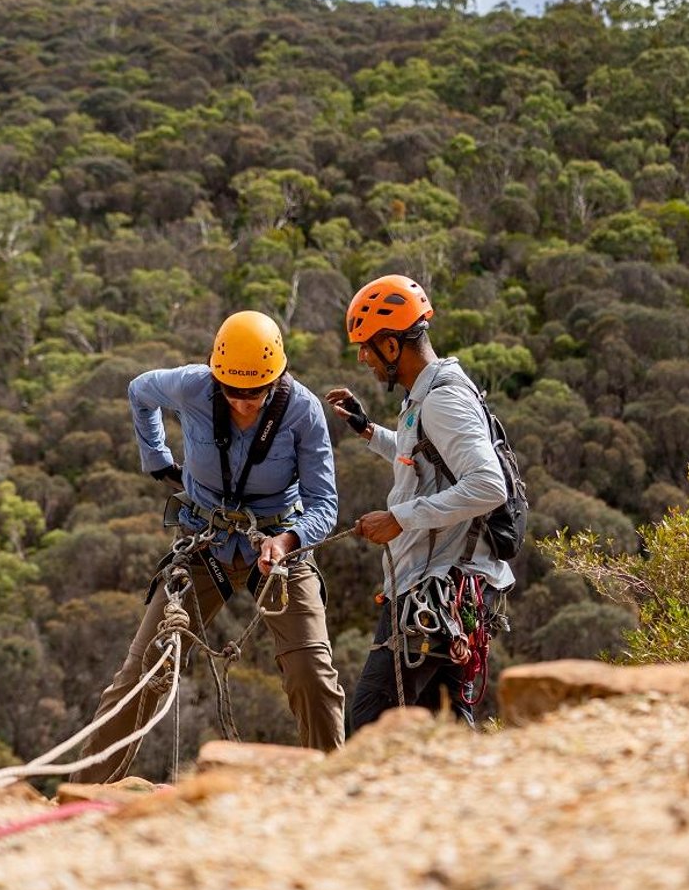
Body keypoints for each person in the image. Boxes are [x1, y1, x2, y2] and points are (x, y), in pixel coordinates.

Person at [77, 310, 345, 782]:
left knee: (311, 674)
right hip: (203, 545)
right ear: (216, 376)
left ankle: (328, 790)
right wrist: (157, 459)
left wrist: (286, 541)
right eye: (232, 391)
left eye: (255, 393)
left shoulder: (302, 412)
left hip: (278, 548)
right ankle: (82, 796)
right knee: (142, 674)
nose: (243, 403)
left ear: (277, 379)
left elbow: (325, 502)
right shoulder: (192, 386)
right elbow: (139, 391)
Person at [326, 274, 515, 731]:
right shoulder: (427, 395)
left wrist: (398, 519)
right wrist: (369, 432)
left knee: (370, 720)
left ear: (392, 346)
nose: (362, 357)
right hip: (443, 590)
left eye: (368, 346)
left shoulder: (442, 401)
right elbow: (425, 461)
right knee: (447, 722)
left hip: (434, 589)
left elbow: (489, 485)